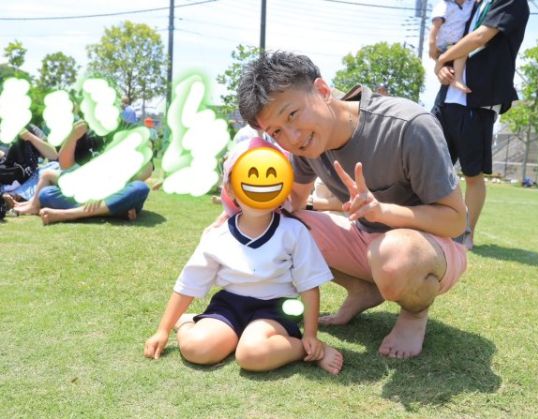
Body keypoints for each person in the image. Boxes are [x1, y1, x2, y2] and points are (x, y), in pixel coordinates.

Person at [236, 51, 468, 359]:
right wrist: (240, 206)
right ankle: (362, 290)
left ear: (322, 90)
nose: (292, 137)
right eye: (276, 131)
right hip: (366, 241)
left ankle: (414, 314)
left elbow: (455, 220)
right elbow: (294, 204)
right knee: (280, 225)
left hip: (430, 249)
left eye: (292, 115)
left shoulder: (408, 126)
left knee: (394, 254)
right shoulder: (304, 146)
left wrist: (383, 211)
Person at [144, 138, 344, 374]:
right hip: (228, 306)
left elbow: (309, 286)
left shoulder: (294, 231)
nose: (260, 186)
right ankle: (189, 323)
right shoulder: (218, 235)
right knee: (197, 349)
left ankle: (304, 349)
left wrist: (310, 336)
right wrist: (163, 330)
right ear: (230, 188)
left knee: (252, 354)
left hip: (275, 310)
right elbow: (189, 283)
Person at [432, 0, 530, 250]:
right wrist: (443, 67)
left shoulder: (512, 2)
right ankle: (431, 226)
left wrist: (442, 58)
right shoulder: (475, 3)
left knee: (472, 174)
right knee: (431, 164)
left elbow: (480, 36)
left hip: (478, 100)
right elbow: (457, 38)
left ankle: (465, 234)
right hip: (447, 98)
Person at [35, 120, 151, 225]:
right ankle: (112, 210)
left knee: (140, 188)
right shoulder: (85, 131)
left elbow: (147, 170)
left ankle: (67, 214)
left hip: (118, 190)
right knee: (46, 194)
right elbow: (65, 165)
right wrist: (72, 137)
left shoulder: (132, 131)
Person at [428, 0, 476, 93]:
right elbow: (435, 27)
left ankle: (455, 78)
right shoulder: (444, 6)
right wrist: (431, 45)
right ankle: (454, 78)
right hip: (442, 46)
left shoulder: (469, 4)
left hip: (455, 44)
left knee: (462, 51)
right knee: (461, 51)